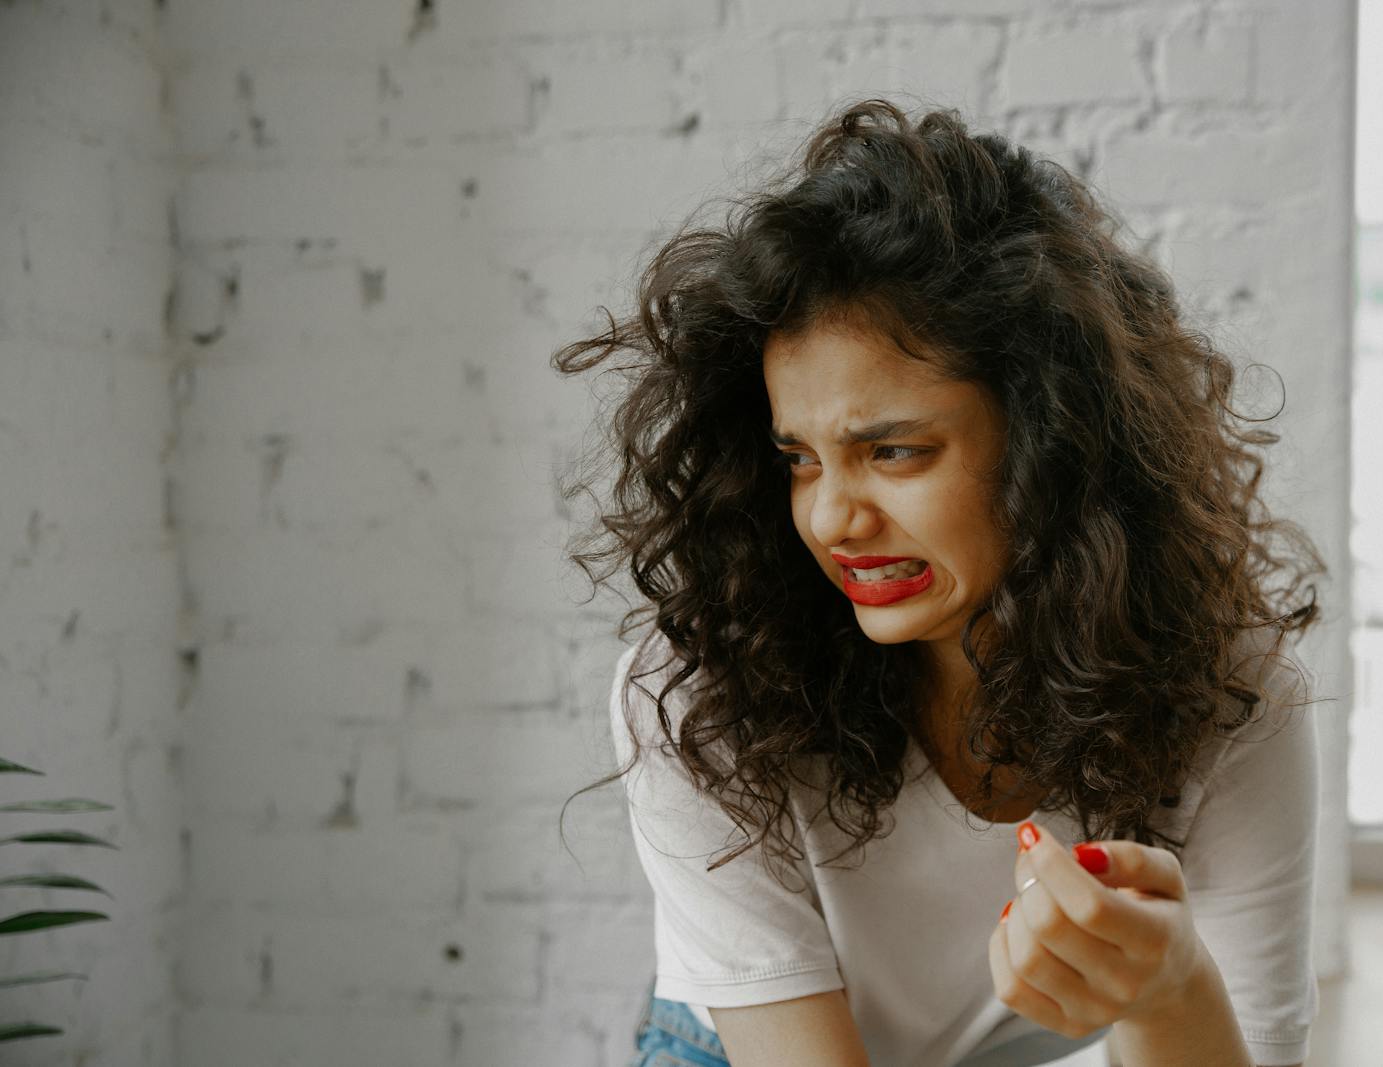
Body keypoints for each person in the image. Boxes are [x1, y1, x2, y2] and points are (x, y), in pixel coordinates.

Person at [553, 97, 1328, 1067]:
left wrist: (1171, 988)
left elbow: (1249, 1048)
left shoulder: (1227, 683)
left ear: (1055, 442)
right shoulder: (694, 687)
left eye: (895, 451)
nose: (832, 517)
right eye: (798, 457)